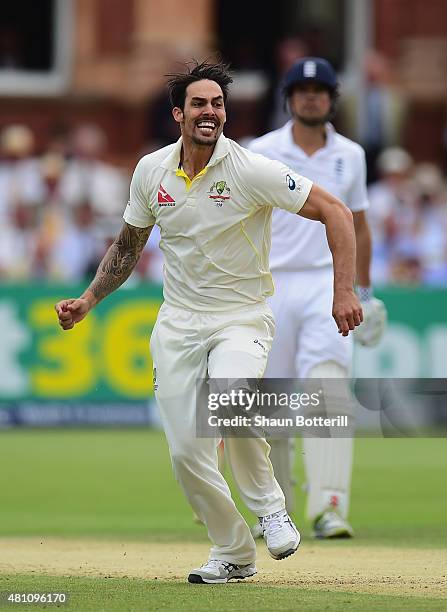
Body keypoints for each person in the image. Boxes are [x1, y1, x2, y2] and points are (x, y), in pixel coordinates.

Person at [55, 60, 363, 584]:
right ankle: (234, 552)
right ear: (178, 113)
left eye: (218, 104)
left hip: (242, 315)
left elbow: (337, 211)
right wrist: (88, 300)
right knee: (185, 454)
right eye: (199, 103)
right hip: (178, 320)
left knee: (230, 396)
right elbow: (128, 246)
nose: (210, 112)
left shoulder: (251, 168)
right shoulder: (152, 170)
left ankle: (271, 507)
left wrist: (343, 290)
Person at [248, 57, 386, 539]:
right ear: (288, 98)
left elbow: (360, 225)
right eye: (303, 90)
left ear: (332, 99)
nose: (311, 97)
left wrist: (362, 291)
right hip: (272, 285)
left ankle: (330, 507)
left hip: (329, 283)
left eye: (320, 90)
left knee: (327, 388)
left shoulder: (351, 154)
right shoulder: (260, 150)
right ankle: (275, 512)